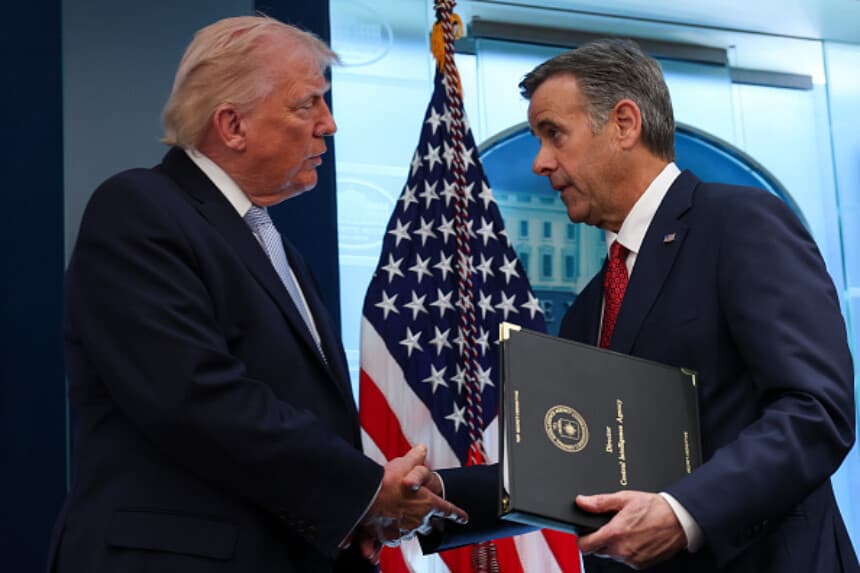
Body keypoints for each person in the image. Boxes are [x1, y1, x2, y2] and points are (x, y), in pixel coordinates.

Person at [46, 15, 467, 573]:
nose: (329, 124)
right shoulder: (139, 209)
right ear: (232, 125)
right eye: (307, 104)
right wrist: (364, 490)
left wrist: (358, 508)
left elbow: (297, 411)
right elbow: (195, 398)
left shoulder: (271, 243)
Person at [424, 39, 859, 573]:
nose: (540, 162)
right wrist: (433, 496)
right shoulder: (591, 305)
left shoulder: (738, 224)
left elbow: (815, 410)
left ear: (625, 124)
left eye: (554, 134)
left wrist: (684, 513)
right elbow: (565, 466)